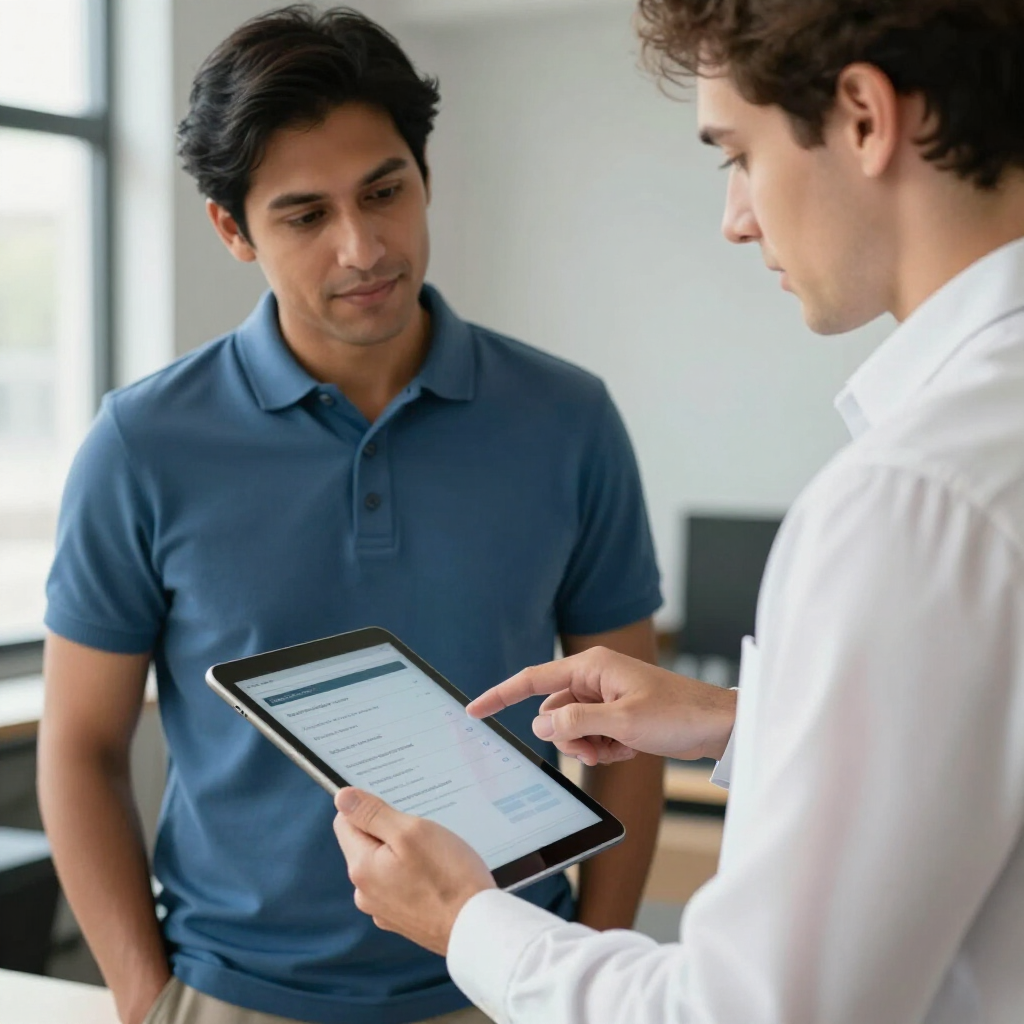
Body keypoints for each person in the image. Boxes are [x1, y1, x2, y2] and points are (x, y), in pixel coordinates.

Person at [330, 1, 1024, 1022]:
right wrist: (749, 727)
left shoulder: (909, 498)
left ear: (867, 118)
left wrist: (462, 915)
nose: (736, 216)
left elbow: (748, 1013)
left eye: (735, 155)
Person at [36, 8, 666, 1024]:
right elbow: (78, 745)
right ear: (231, 228)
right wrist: (146, 1002)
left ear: (426, 181)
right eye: (304, 214)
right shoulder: (143, 443)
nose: (363, 246)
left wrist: (582, 965)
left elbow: (623, 727)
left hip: (506, 977)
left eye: (385, 192)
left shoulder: (567, 417)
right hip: (231, 993)